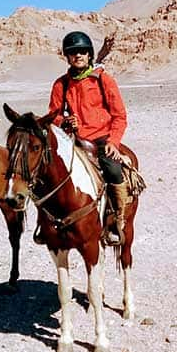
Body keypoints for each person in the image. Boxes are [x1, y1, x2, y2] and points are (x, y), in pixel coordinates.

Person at [47, 31, 130, 243]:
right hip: (73, 140)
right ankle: (48, 224)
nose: (78, 56)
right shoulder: (61, 84)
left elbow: (119, 116)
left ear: (89, 54)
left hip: (101, 138)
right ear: (67, 56)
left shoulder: (103, 80)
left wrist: (113, 142)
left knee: (113, 169)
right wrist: (65, 122)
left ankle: (116, 219)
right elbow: (53, 116)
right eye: (73, 52)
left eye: (82, 51)